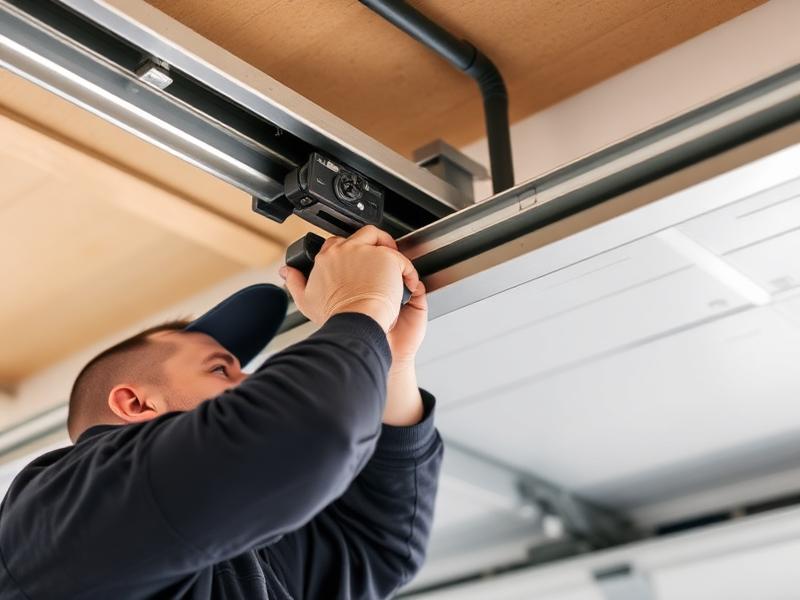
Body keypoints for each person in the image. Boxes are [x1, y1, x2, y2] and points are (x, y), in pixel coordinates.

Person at [0, 225, 443, 599]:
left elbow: (377, 549)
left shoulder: (230, 536)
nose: (247, 384)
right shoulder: (62, 508)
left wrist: (390, 361)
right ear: (134, 403)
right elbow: (308, 430)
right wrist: (358, 307)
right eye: (220, 369)